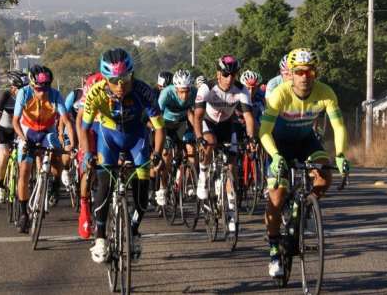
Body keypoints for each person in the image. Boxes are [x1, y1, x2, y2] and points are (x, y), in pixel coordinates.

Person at [259, 48, 350, 278]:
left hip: (306, 141)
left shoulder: (325, 92)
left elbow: (338, 126)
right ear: (291, 73)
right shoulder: (280, 93)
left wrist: (340, 154)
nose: (304, 77)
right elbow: (264, 131)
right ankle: (273, 252)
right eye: (299, 72)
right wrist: (276, 156)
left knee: (324, 174)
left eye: (309, 71)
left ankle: (303, 209)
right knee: (277, 198)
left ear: (315, 72)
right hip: (279, 144)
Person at [81, 48, 164, 263]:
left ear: (132, 74)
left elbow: (159, 128)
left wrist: (157, 152)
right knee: (105, 183)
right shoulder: (96, 93)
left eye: (125, 79)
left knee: (142, 189)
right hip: (109, 139)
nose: (120, 85)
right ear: (105, 78)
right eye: (114, 80)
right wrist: (87, 153)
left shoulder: (143, 91)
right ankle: (100, 238)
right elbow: (84, 128)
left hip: (137, 139)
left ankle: (134, 231)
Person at [192, 55, 258, 232]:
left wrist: (251, 138)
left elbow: (248, 117)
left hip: (227, 126)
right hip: (208, 122)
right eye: (226, 74)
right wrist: (199, 138)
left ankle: (230, 207)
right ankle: (204, 176)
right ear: (218, 74)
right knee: (210, 142)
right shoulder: (207, 88)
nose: (229, 79)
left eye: (233, 75)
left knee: (231, 167)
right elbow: (197, 116)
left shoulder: (241, 90)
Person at [12, 65, 75, 233]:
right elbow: (15, 121)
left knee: (56, 155)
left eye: (46, 88)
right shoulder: (23, 94)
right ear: (32, 85)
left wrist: (73, 145)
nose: (42, 92)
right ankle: (24, 212)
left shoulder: (55, 95)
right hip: (28, 131)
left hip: (48, 131)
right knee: (24, 171)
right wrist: (24, 140)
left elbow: (67, 121)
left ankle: (55, 185)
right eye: (39, 89)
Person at [154, 69, 196, 206]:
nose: (184, 95)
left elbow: (194, 114)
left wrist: (198, 133)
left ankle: (189, 183)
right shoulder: (167, 93)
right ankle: (163, 187)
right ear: (176, 88)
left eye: (187, 91)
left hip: (183, 123)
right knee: (166, 155)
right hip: (166, 124)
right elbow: (157, 115)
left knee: (191, 150)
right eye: (181, 91)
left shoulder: (194, 93)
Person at [74, 72, 104, 239]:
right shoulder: (93, 83)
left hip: (109, 127)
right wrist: (84, 147)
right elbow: (79, 120)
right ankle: (84, 207)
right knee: (88, 168)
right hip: (91, 127)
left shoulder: (121, 84)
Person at [0, 70, 28, 205]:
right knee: (4, 155)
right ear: (13, 88)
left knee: (26, 157)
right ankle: (0, 187)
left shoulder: (28, 96)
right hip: (3, 130)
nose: (25, 90)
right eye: (21, 88)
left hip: (19, 131)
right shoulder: (5, 96)